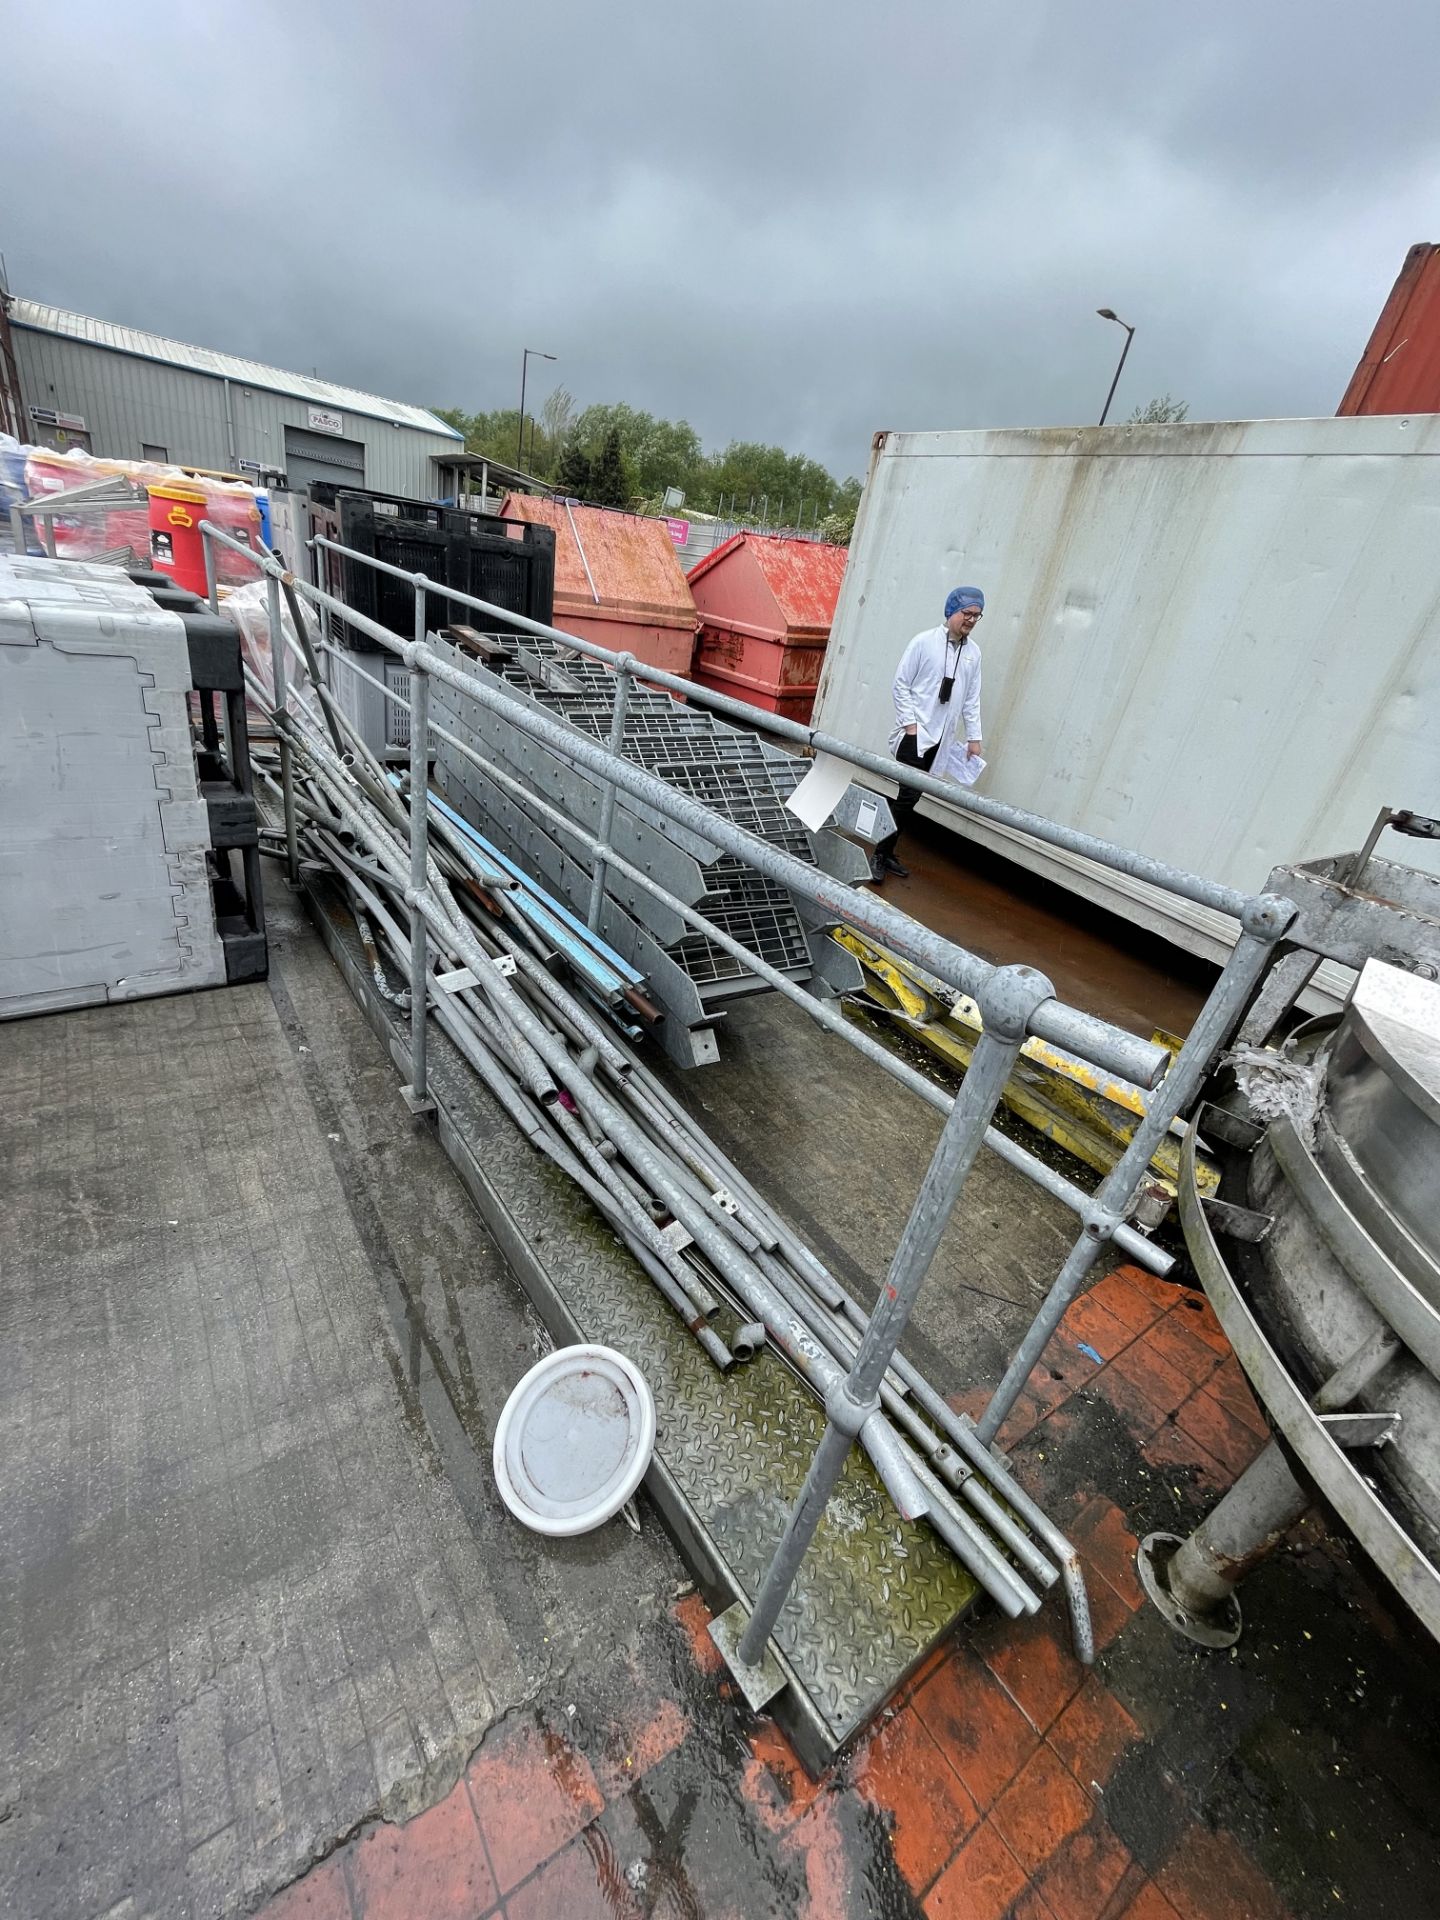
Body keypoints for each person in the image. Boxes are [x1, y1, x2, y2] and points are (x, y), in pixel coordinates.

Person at [870, 586, 986, 883]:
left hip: (941, 739)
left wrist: (974, 737)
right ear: (951, 612)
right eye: (967, 613)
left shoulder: (972, 654)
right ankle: (880, 854)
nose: (971, 620)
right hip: (916, 735)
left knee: (912, 797)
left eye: (977, 615)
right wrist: (911, 726)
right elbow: (901, 684)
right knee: (908, 795)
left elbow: (971, 698)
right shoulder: (924, 642)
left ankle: (887, 849)